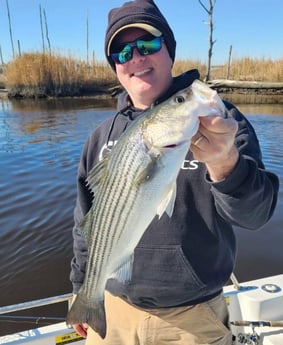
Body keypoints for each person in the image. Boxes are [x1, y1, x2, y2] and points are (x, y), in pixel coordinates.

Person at [69, 0, 279, 344]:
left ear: (169, 50)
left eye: (148, 44)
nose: (136, 57)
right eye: (122, 52)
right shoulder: (99, 137)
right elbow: (85, 223)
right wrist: (82, 288)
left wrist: (225, 162)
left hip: (193, 318)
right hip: (113, 310)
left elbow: (256, 216)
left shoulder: (220, 122)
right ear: (115, 67)